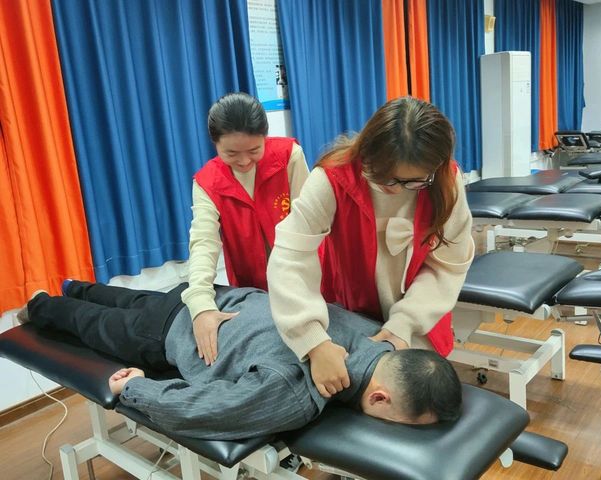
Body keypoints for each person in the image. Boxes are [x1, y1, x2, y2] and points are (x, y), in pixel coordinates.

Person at [17, 281, 462, 441]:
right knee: (92, 323)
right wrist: (133, 388)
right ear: (380, 397)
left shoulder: (374, 332)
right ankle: (39, 305)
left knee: (124, 298)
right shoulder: (296, 391)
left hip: (210, 296)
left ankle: (75, 284)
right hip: (169, 331)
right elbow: (199, 411)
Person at [266, 97, 474, 399]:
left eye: (412, 182)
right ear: (367, 151)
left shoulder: (445, 182)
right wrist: (312, 340)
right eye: (385, 177)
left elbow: (446, 268)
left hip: (418, 320)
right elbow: (290, 257)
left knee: (414, 402)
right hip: (349, 318)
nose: (395, 189)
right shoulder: (333, 178)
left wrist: (404, 324)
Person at [183, 92, 309, 366]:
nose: (243, 161)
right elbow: (203, 243)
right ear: (215, 144)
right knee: (269, 349)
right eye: (231, 153)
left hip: (303, 275)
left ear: (265, 136)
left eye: (254, 151)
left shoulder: (289, 156)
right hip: (252, 284)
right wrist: (200, 303)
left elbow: (309, 221)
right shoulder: (207, 182)